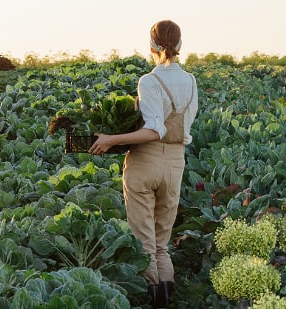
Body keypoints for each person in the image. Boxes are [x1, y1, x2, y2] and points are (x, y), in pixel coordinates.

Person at [89, 19, 198, 308]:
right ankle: (169, 296)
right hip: (176, 163)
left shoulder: (149, 81)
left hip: (146, 162)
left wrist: (112, 139)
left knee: (145, 243)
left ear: (151, 46)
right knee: (162, 241)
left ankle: (154, 299)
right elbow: (181, 124)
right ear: (180, 45)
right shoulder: (190, 80)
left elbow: (154, 130)